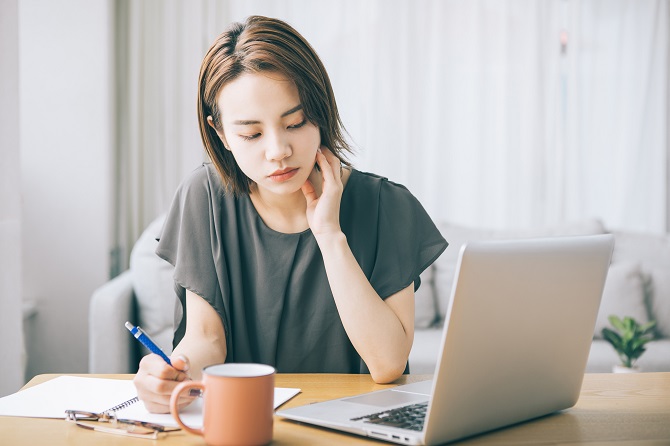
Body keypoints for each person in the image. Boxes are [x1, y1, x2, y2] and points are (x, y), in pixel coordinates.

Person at [134, 15, 448, 414]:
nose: (278, 150)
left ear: (320, 112)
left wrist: (330, 236)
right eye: (252, 134)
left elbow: (386, 364)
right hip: (246, 422)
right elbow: (207, 339)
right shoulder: (205, 197)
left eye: (295, 122)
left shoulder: (386, 205)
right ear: (221, 134)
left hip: (357, 425)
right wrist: (174, 373)